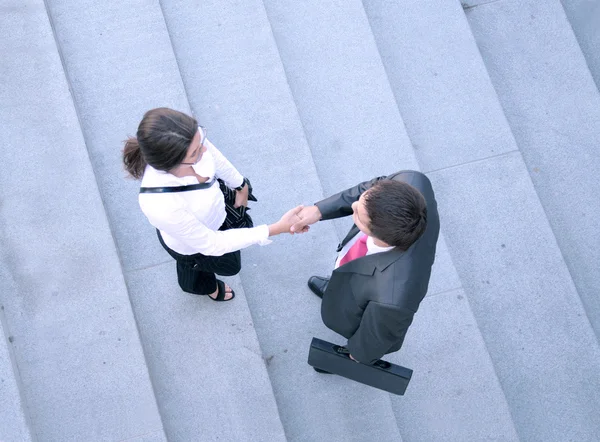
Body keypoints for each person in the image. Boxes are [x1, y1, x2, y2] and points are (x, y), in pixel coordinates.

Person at [123, 107, 301, 302]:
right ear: (170, 163)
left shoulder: (189, 140)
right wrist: (274, 229)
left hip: (217, 210)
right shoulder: (161, 205)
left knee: (229, 259)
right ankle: (203, 286)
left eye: (201, 139)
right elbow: (211, 244)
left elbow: (215, 157)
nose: (204, 150)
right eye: (195, 153)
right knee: (211, 266)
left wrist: (241, 186)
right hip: (193, 245)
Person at [291, 171, 439, 369]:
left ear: (378, 233)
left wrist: (355, 356)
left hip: (369, 305)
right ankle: (336, 287)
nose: (353, 205)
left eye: (358, 215)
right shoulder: (412, 182)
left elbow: (375, 338)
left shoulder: (392, 299)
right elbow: (374, 186)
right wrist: (319, 210)